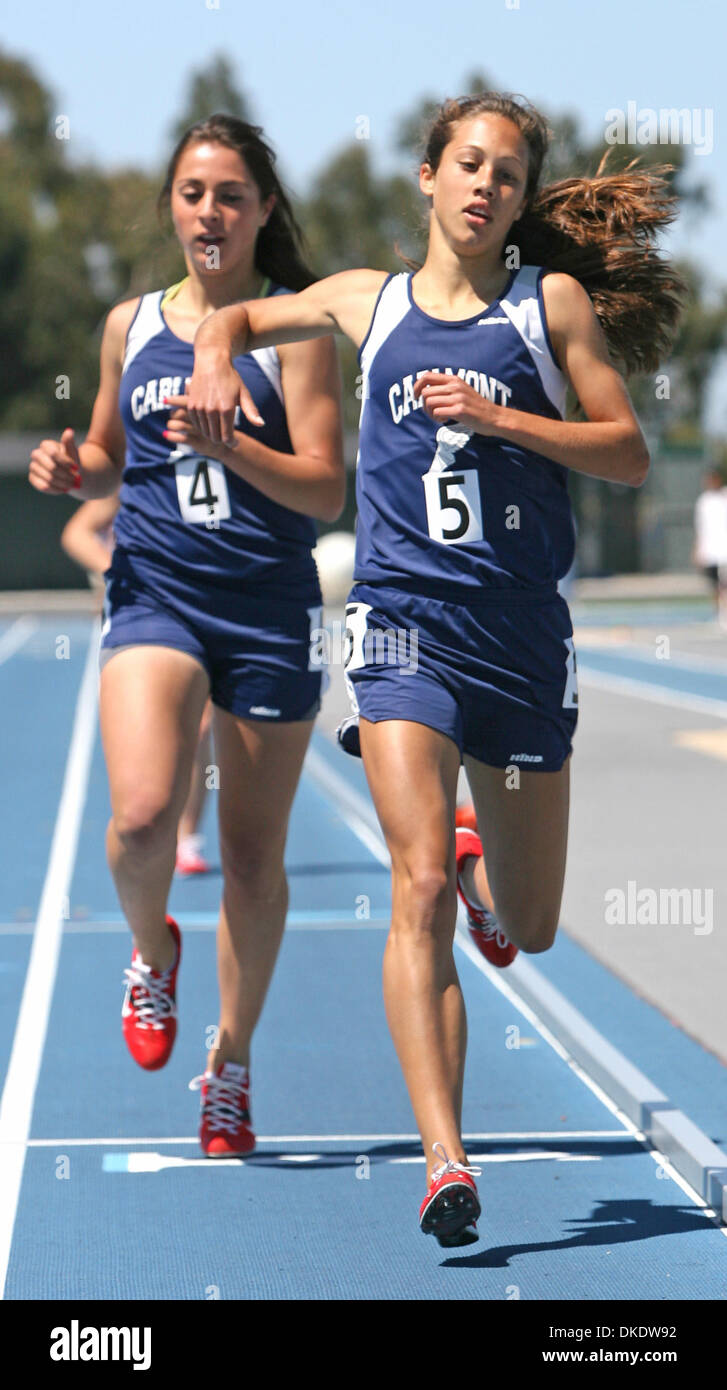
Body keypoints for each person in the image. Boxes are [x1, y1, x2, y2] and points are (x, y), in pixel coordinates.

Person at [175, 92, 684, 1243]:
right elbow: (245, 319)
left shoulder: (544, 307)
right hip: (403, 627)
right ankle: (445, 1160)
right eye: (465, 164)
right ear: (425, 177)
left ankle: (481, 876)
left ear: (516, 199)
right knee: (409, 889)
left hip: (517, 639)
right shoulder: (371, 304)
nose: (482, 187)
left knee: (534, 927)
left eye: (504, 175)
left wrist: (506, 423)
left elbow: (627, 451)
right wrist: (212, 350)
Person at [29, 114, 344, 1156]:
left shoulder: (293, 327)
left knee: (253, 860)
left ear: (262, 212)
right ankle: (148, 945)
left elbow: (325, 493)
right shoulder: (129, 323)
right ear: (172, 204)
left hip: (267, 607)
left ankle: (233, 1064)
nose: (209, 213)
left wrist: (235, 445)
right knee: (142, 815)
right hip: (156, 591)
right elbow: (115, 448)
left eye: (231, 196)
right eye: (192, 193)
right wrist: (75, 466)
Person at [60, 495, 215, 874]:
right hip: (142, 618)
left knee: (201, 729)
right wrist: (123, 570)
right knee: (148, 738)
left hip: (210, 610)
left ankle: (187, 839)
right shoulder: (138, 464)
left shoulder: (220, 457)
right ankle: (147, 831)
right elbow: (76, 532)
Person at [692, 467, 727, 627]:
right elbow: (700, 527)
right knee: (714, 585)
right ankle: (718, 613)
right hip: (711, 550)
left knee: (724, 583)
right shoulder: (703, 501)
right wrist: (698, 549)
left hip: (724, 549)